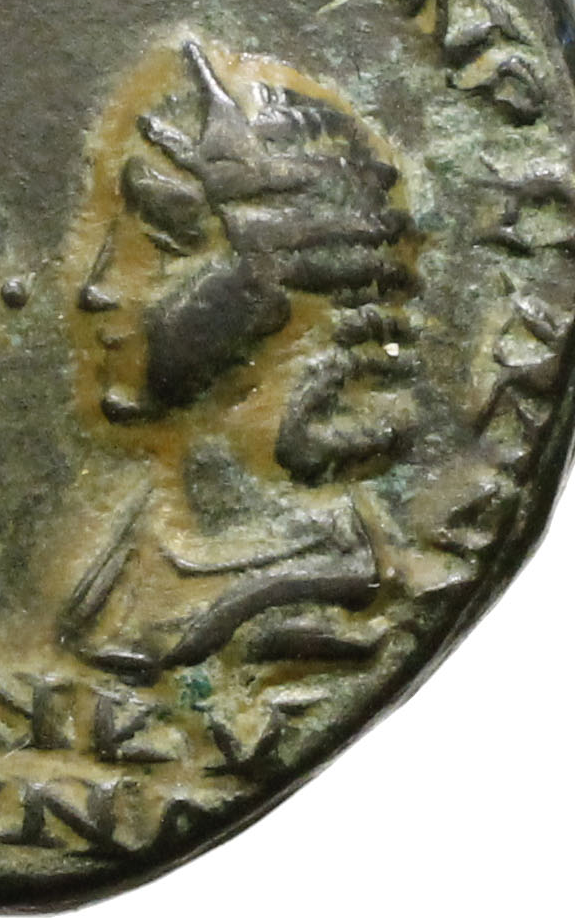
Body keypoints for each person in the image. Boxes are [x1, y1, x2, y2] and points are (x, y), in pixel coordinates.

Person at [63, 39, 421, 678]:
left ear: (279, 294)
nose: (97, 288)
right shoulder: (141, 550)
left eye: (161, 245)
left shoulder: (313, 623)